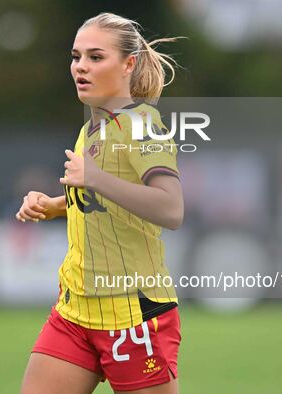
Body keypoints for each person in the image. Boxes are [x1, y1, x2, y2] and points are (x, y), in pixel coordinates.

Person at [17, 13, 184, 394]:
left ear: (128, 64)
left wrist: (94, 178)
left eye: (95, 57)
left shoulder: (142, 124)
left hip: (131, 315)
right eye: (76, 57)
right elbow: (103, 198)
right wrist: (55, 205)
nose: (81, 67)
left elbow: (170, 209)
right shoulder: (91, 129)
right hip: (74, 310)